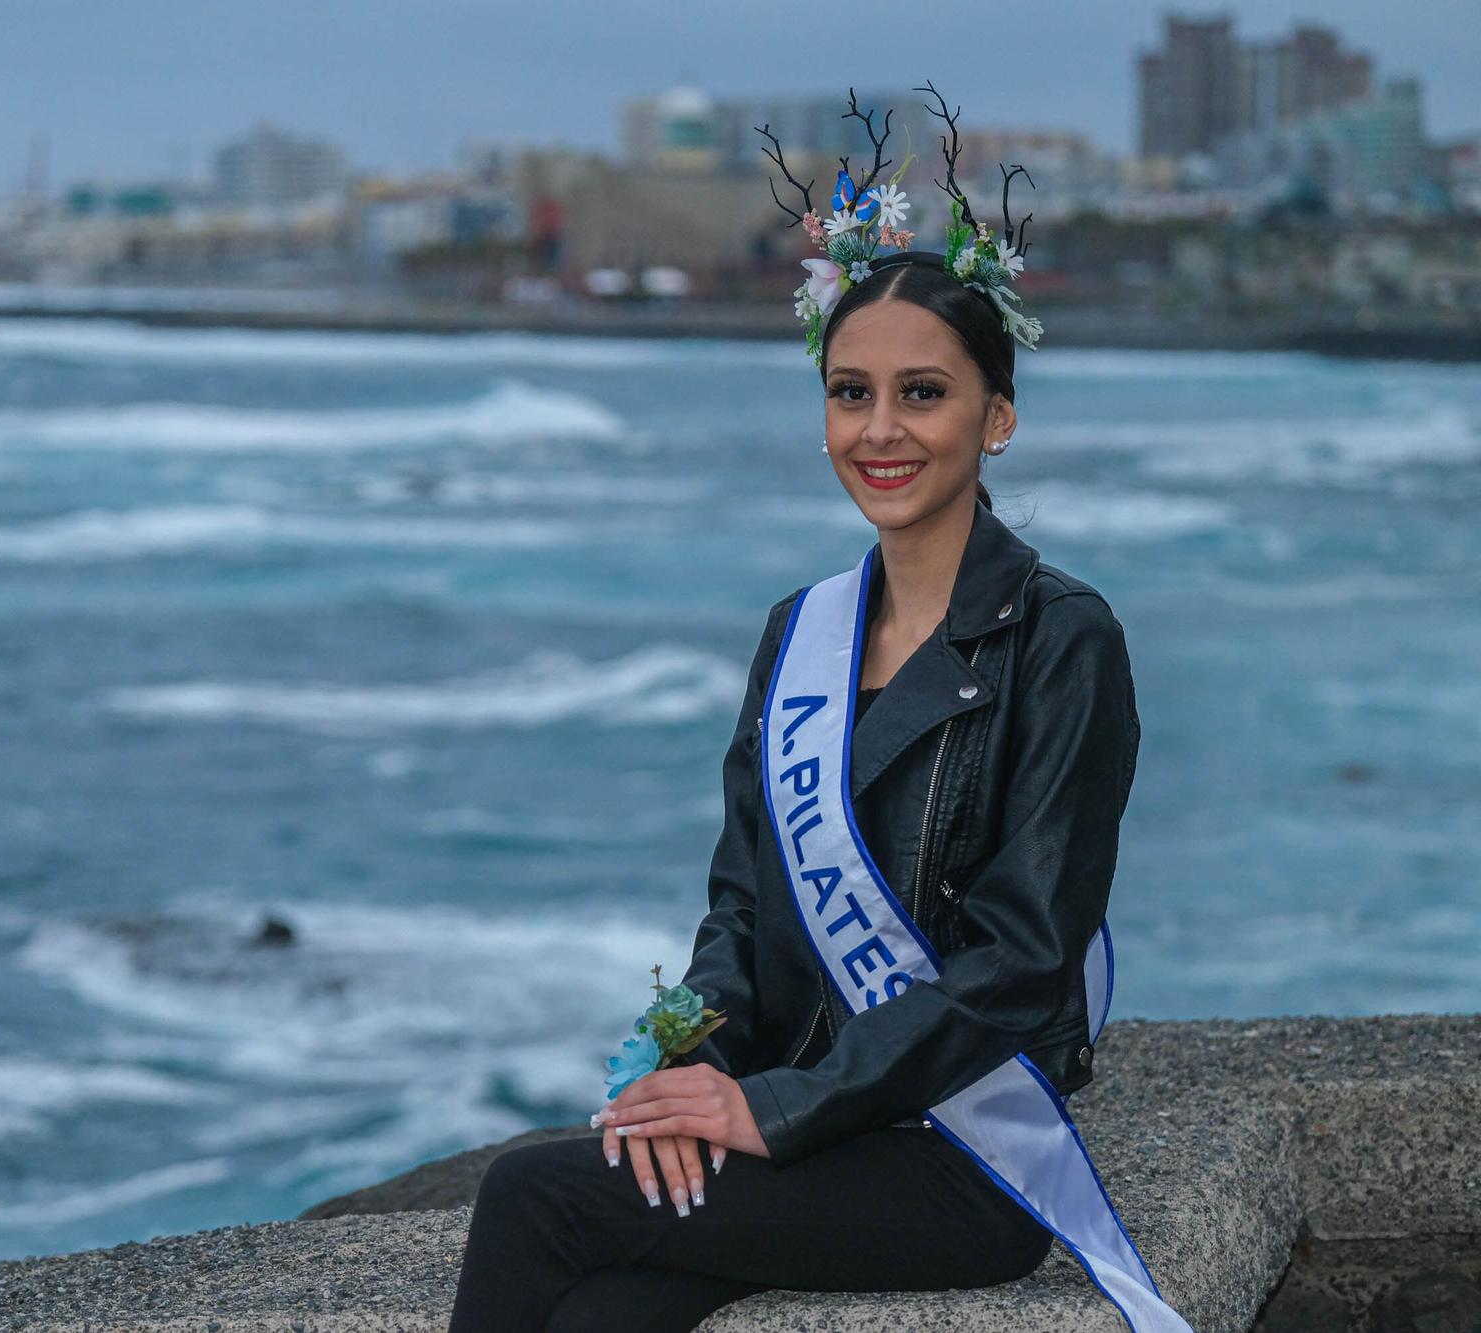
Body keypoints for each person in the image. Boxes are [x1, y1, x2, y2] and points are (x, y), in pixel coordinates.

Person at [449, 86, 1175, 1333]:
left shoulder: (1062, 639)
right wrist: (696, 1066)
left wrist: (770, 1113)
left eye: (922, 394)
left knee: (532, 1195)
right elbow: (741, 902)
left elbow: (1017, 962)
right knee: (602, 1311)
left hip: (954, 1147)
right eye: (849, 393)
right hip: (807, 1107)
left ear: (996, 418)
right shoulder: (802, 630)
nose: (878, 431)